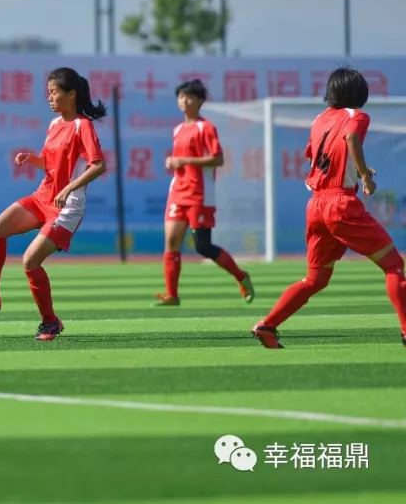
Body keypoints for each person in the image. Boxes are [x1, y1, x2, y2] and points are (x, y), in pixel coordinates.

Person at [253, 68, 406, 348]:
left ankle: (267, 325)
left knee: (315, 279)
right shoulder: (357, 116)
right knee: (395, 266)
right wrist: (364, 176)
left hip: (317, 204)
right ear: (360, 93)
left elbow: (318, 156)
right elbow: (350, 139)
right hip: (341, 205)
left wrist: (355, 168)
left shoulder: (320, 119)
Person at [0, 67, 107, 341]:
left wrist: (70, 188)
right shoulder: (54, 125)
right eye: (48, 92)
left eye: (54, 92)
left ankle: (50, 322)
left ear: (71, 94)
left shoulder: (82, 125)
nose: (49, 98)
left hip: (67, 205)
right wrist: (33, 159)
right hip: (43, 196)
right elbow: (52, 165)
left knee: (30, 261)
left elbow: (98, 166)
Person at [156, 79, 254, 306]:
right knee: (171, 240)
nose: (184, 101)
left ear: (200, 101)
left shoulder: (206, 127)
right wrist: (172, 162)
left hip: (200, 192)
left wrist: (184, 160)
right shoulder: (178, 129)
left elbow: (218, 158)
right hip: (177, 191)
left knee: (202, 246)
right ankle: (172, 295)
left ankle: (241, 276)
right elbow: (180, 159)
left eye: (189, 97)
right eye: (181, 96)